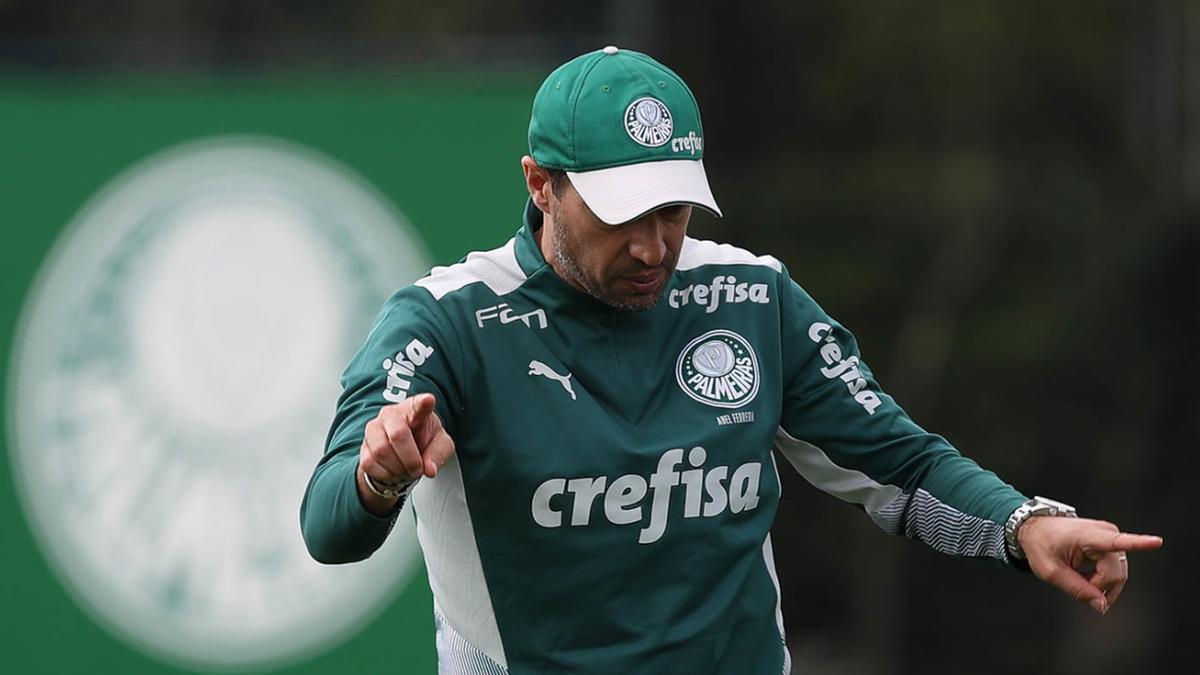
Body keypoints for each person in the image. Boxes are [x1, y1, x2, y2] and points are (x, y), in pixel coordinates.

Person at [300, 46, 1163, 674]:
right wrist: (377, 476)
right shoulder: (447, 320)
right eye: (619, 214)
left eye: (673, 210)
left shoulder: (753, 295)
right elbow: (327, 527)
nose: (653, 245)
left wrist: (1024, 524)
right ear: (540, 184)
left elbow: (899, 465)